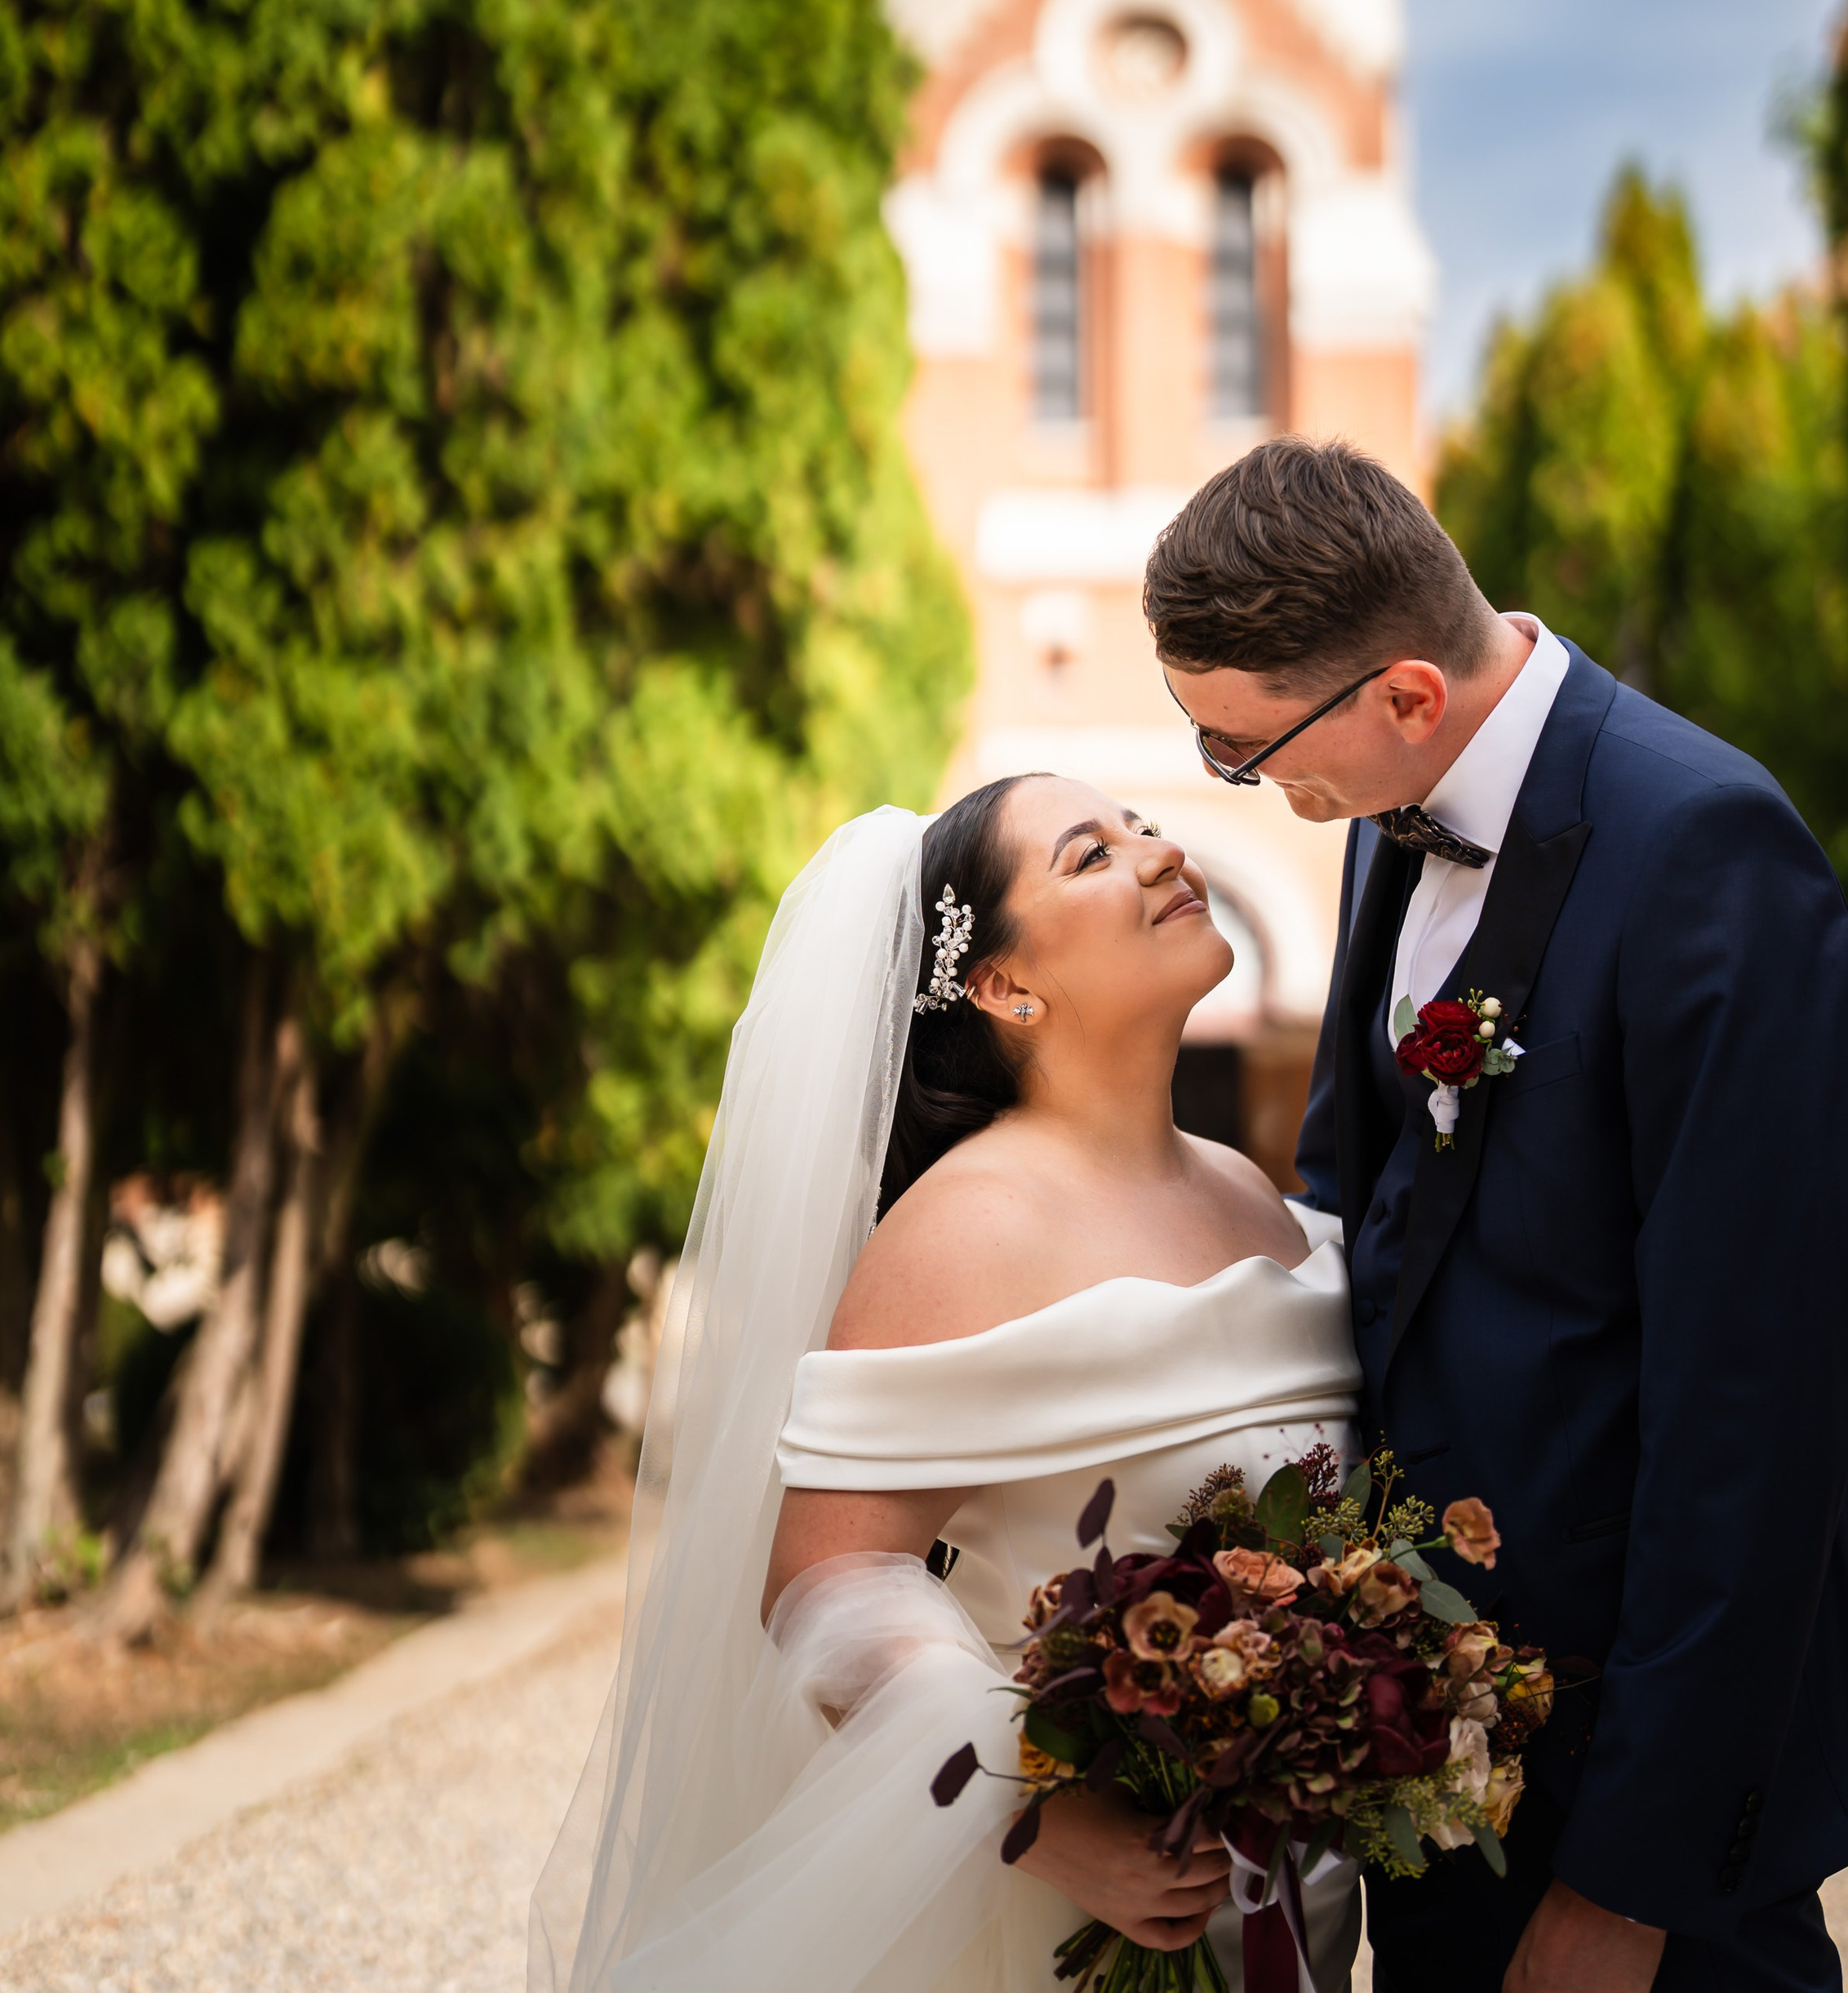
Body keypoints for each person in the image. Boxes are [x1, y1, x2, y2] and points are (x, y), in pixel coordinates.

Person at [1143, 435, 1848, 1993]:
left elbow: (1755, 1418)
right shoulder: (1396, 812)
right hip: (1436, 1728)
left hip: (1639, 1760)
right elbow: (1359, 1205)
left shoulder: (1709, 851)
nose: (1240, 791)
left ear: (1406, 696)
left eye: (1243, 751)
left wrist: (1628, 1885)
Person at [529, 777, 1364, 1993]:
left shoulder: (1247, 1186)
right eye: (1091, 853)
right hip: (1077, 1926)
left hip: (1295, 1889)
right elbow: (827, 1581)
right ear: (1004, 986)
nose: (1156, 849)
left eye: (1141, 823)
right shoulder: (965, 1228)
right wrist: (1039, 1818)